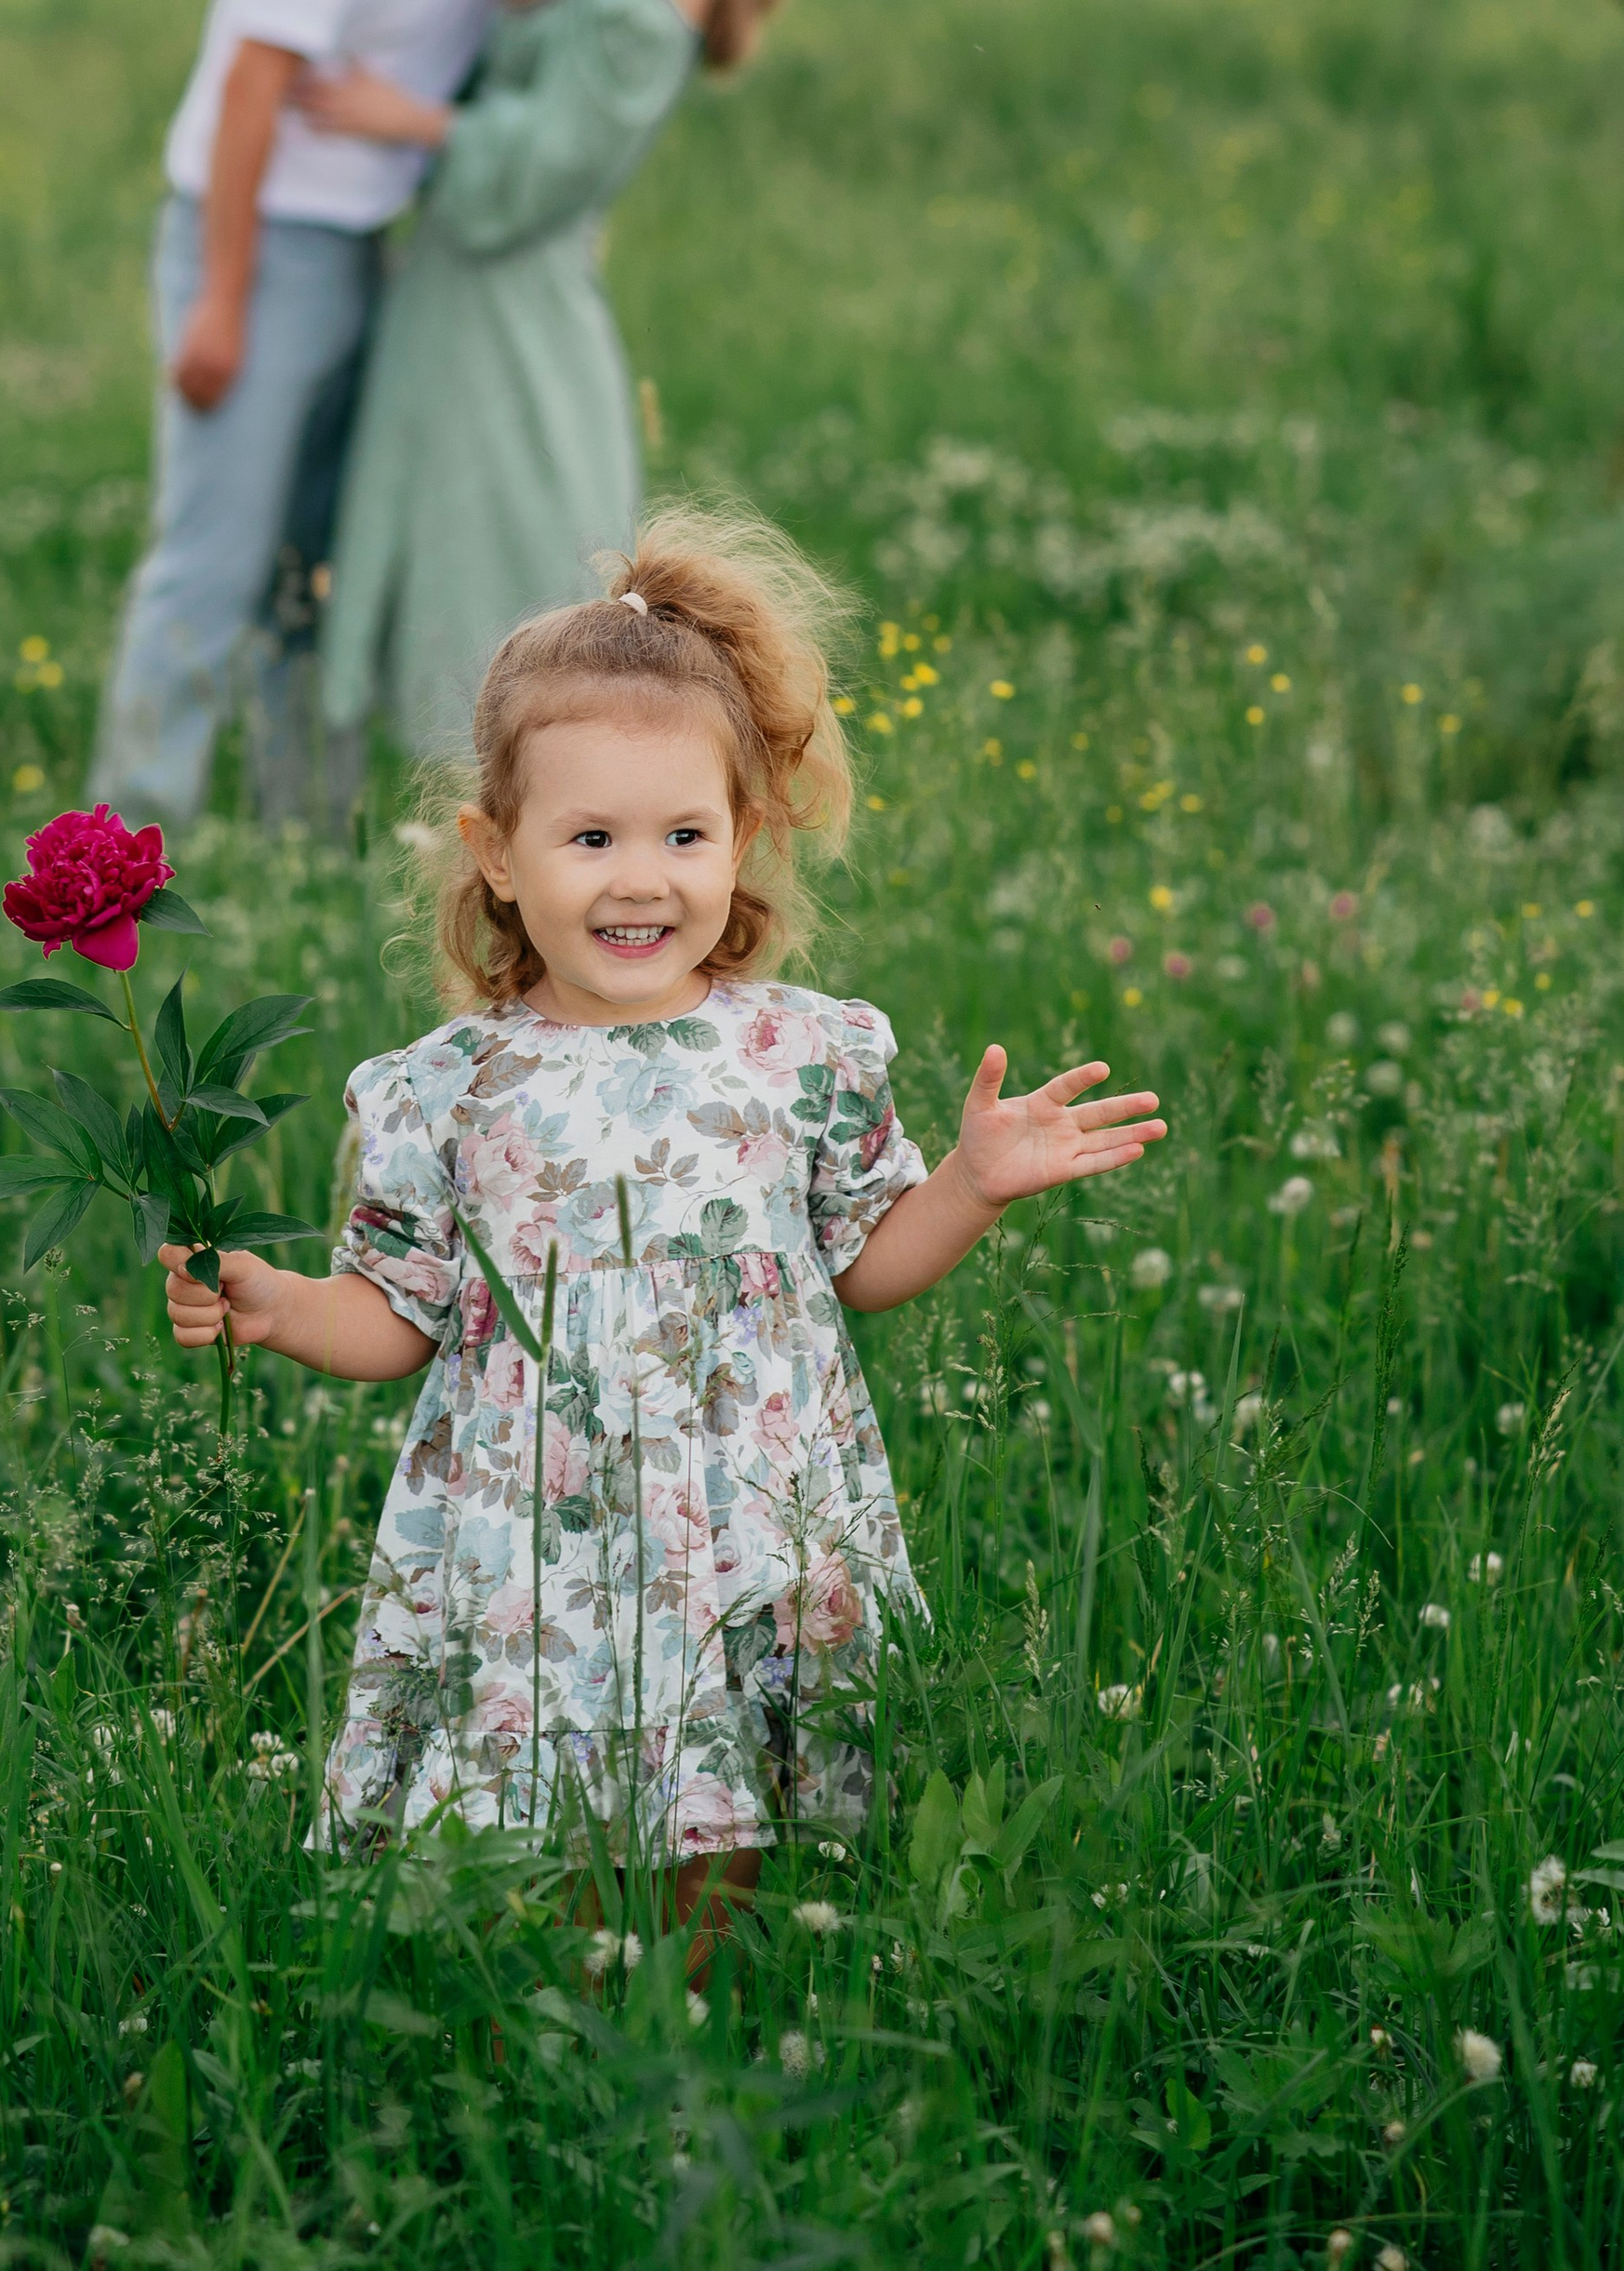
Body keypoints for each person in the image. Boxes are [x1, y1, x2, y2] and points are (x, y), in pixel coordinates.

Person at [159, 511, 1167, 1954]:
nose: (641, 878)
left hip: (745, 1510)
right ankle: (574, 2026)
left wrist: (970, 1182)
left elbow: (865, 1266)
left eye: (683, 834)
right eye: (590, 837)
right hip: (537, 1536)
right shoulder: (449, 1088)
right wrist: (271, 1299)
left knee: (736, 1816)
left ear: (742, 837)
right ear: (496, 852)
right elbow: (395, 1320)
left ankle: (701, 2012)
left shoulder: (802, 1053)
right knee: (555, 1821)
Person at [88, 0, 594, 827]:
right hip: (260, 248)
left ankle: (295, 825)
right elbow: (247, 91)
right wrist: (222, 299)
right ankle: (121, 845)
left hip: (363, 256)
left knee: (317, 560)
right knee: (212, 562)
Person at [303, 0, 792, 763]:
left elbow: (541, 170)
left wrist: (412, 119)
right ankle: (469, 828)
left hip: (511, 312)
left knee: (498, 562)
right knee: (453, 548)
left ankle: (509, 830)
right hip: (474, 295)